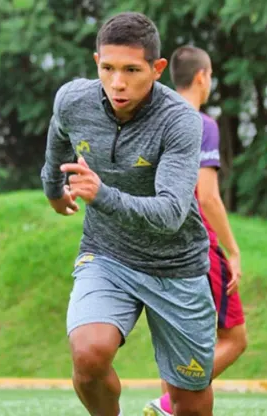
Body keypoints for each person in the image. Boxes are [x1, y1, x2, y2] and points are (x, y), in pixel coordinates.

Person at [40, 12, 217, 416]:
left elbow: (172, 212)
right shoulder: (73, 99)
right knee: (88, 355)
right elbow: (58, 135)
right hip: (107, 255)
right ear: (96, 62)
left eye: (132, 70)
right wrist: (52, 187)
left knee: (189, 400)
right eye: (108, 68)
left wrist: (102, 194)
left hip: (177, 267)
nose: (118, 82)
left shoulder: (181, 122)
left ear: (157, 69)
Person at [143, 45, 247, 416]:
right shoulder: (201, 124)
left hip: (156, 244)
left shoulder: (155, 120)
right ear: (202, 76)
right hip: (197, 244)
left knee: (175, 344)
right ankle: (170, 403)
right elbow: (207, 195)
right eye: (212, 75)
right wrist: (232, 250)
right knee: (235, 338)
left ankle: (168, 407)